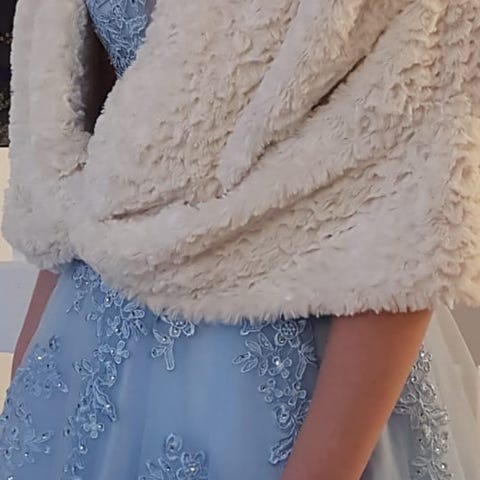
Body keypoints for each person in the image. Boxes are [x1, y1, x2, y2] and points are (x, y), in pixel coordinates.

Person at [1, 0, 480, 479]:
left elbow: (415, 199)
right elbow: (71, 167)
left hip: (295, 363)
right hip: (84, 349)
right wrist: (25, 384)